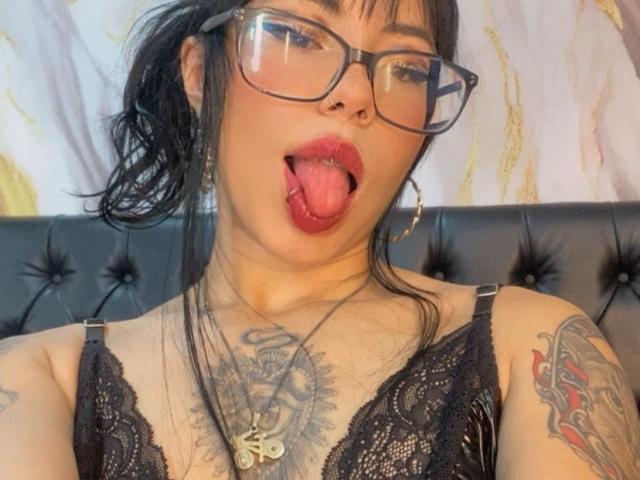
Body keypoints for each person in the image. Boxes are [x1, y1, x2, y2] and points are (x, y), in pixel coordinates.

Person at [1, 0, 639, 478]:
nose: (356, 94)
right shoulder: (37, 377)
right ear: (199, 73)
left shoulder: (537, 347)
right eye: (297, 34)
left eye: (407, 66)